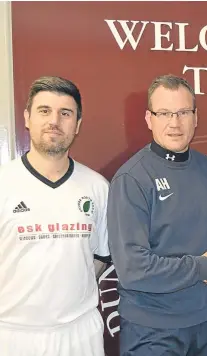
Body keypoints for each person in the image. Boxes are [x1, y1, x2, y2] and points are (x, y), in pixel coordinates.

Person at [107, 74, 207, 355]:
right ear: (149, 119)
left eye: (183, 112)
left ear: (196, 117)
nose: (175, 123)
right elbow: (133, 268)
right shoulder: (132, 178)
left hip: (205, 324)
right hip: (151, 332)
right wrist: (202, 267)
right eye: (165, 113)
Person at [0, 76, 110, 356]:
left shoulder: (97, 187)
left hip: (80, 332)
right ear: (27, 118)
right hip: (14, 333)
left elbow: (101, 255)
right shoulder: (4, 182)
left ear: (78, 125)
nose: (54, 121)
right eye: (44, 110)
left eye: (65, 113)